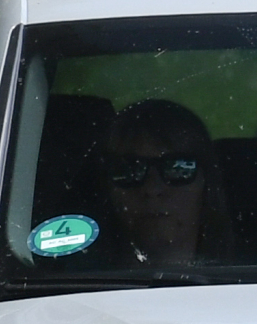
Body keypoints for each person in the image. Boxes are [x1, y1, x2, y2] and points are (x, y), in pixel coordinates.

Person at [101, 98, 236, 265]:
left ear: (207, 184)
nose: (152, 189)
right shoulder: (75, 285)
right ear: (108, 187)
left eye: (177, 168)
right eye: (130, 171)